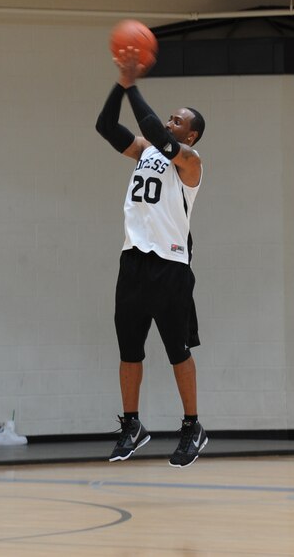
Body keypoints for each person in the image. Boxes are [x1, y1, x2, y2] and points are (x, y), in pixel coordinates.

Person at [95, 41, 209, 468]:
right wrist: (119, 86)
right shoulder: (145, 152)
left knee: (177, 350)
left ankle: (192, 425)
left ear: (190, 135)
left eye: (177, 120)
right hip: (134, 261)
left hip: (171, 265)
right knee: (129, 350)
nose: (168, 121)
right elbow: (106, 126)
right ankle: (132, 424)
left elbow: (157, 135)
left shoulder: (191, 163)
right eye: (169, 117)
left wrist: (132, 84)